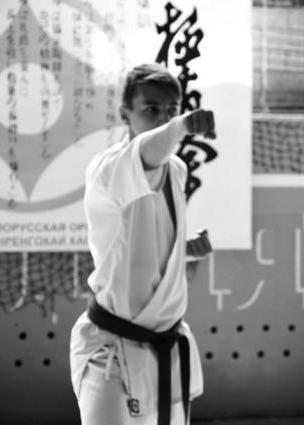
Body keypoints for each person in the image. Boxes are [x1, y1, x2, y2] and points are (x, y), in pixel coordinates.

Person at [70, 63, 215, 425]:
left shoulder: (176, 168)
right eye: (151, 109)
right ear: (125, 115)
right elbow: (147, 154)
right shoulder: (108, 168)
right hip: (110, 349)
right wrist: (179, 126)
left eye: (171, 109)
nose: (163, 117)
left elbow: (139, 240)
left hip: (165, 343)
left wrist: (182, 250)